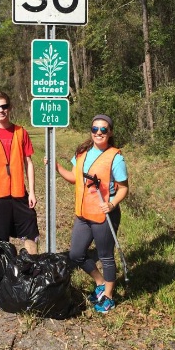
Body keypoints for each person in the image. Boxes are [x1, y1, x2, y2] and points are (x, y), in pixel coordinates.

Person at [52, 114, 129, 313]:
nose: (99, 133)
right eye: (95, 129)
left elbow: (123, 188)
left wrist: (112, 204)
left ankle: (109, 297)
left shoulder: (116, 157)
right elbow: (74, 178)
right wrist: (57, 167)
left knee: (105, 256)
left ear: (110, 132)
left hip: (105, 215)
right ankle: (101, 282)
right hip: (83, 213)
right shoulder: (82, 153)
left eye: (103, 129)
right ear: (91, 131)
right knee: (76, 254)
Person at [0, 91, 39, 255]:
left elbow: (28, 163)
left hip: (19, 194)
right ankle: (0, 273)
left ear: (10, 107)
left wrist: (31, 192)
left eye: (4, 106)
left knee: (30, 233)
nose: (0, 110)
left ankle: (32, 268)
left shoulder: (21, 132)